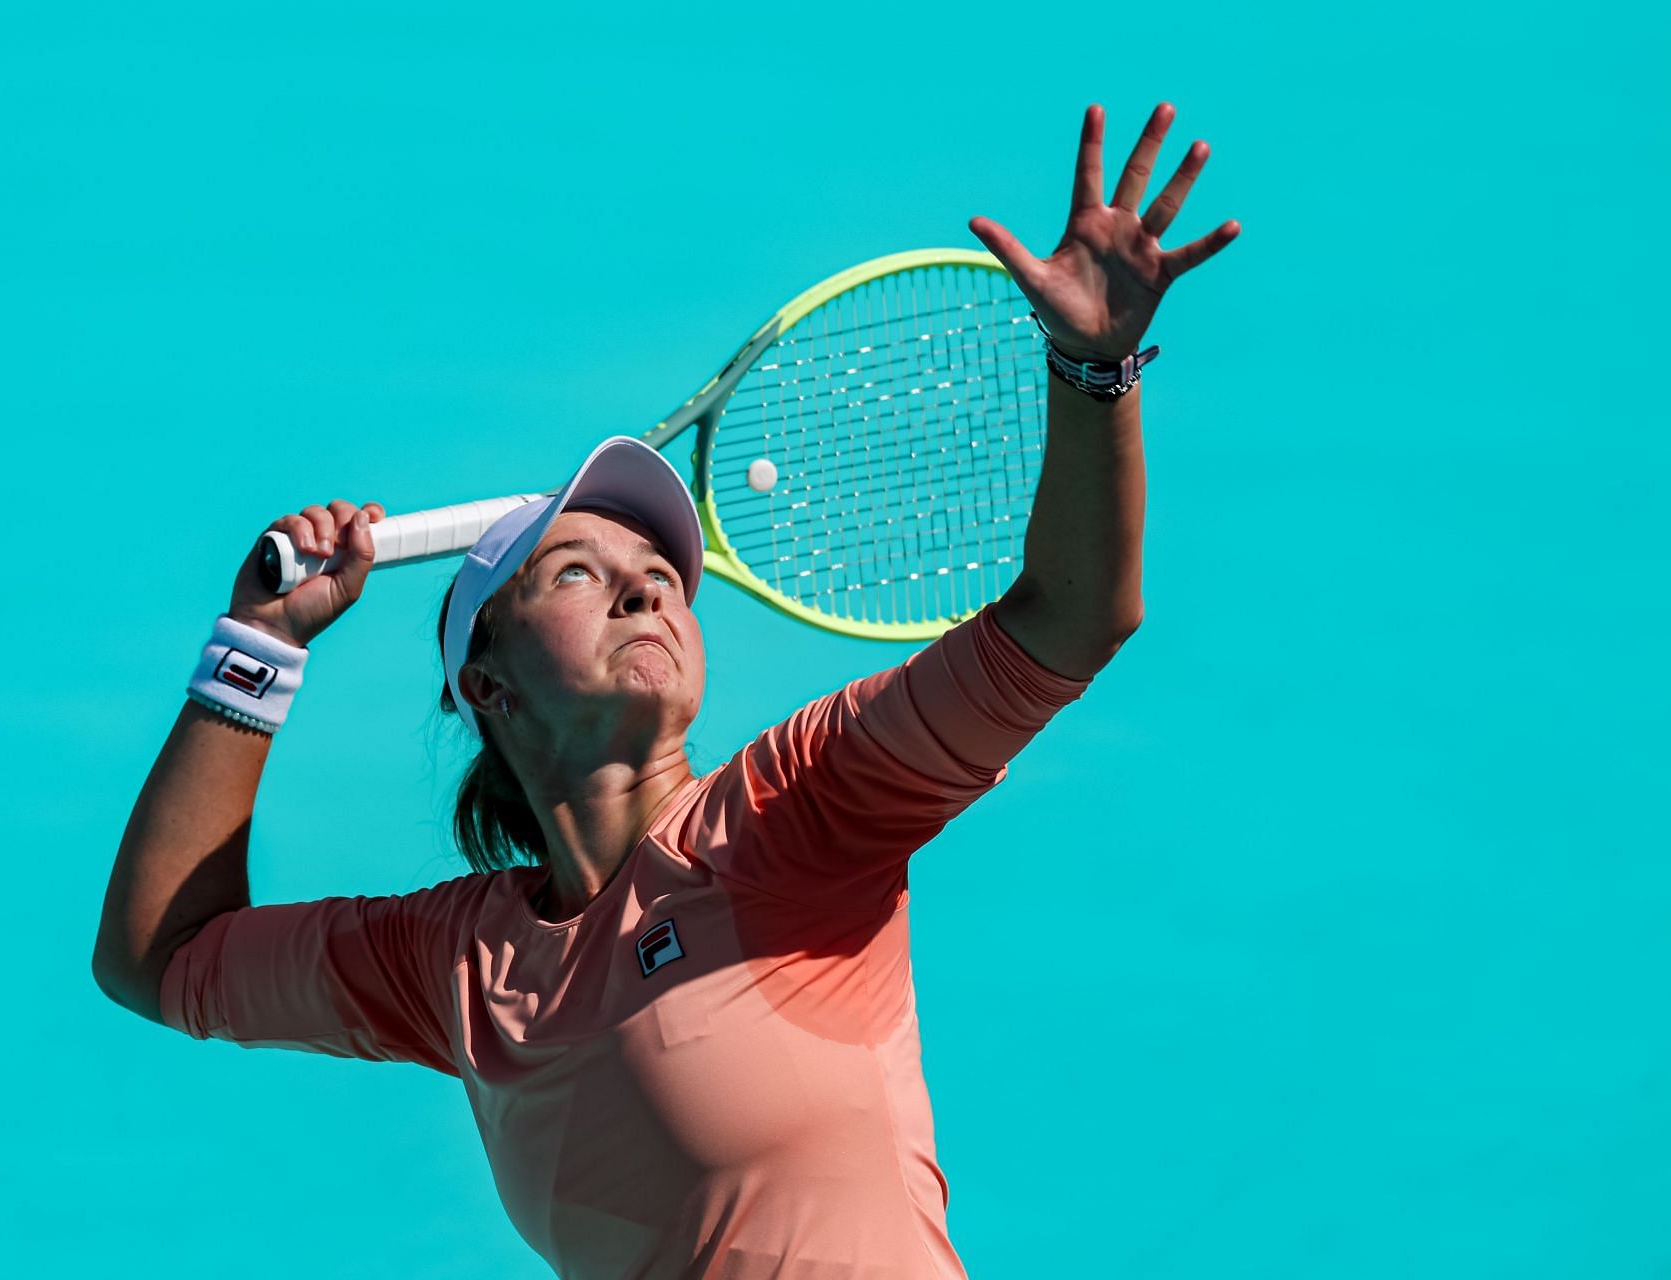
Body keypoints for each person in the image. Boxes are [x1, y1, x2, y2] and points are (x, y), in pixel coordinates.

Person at [92, 101, 1238, 1278]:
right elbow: (158, 957)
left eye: (662, 576)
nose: (647, 593)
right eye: (580, 571)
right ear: (484, 681)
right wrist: (259, 643)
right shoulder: (456, 965)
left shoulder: (797, 807)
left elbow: (1070, 617)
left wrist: (1095, 370)